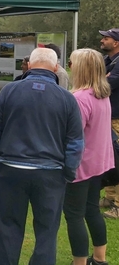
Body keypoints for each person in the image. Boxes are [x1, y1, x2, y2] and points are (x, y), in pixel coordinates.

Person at [0, 47, 84, 265]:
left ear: (29, 66)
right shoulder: (67, 99)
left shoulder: (8, 91)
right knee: (47, 234)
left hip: (10, 170)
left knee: (7, 231)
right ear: (56, 68)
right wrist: (68, 172)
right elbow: (75, 143)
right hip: (50, 173)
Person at [63, 48, 113, 265]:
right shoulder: (102, 94)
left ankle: (80, 262)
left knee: (74, 215)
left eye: (72, 62)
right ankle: (99, 259)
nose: (70, 66)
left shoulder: (80, 98)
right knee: (91, 208)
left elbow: (71, 137)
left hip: (81, 166)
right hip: (99, 163)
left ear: (81, 68)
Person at [99, 28, 119, 219]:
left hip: (117, 118)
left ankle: (118, 206)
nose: (102, 40)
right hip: (108, 116)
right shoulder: (107, 61)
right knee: (110, 158)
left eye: (107, 38)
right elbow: (100, 82)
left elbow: (106, 85)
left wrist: (103, 80)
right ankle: (109, 197)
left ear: (116, 43)